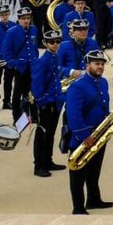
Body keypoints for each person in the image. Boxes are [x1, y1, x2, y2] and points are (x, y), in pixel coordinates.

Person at [64, 50, 113, 214]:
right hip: (83, 137)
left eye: (102, 64)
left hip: (99, 134)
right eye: (96, 64)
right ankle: (77, 207)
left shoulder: (103, 82)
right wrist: (85, 136)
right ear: (87, 66)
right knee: (78, 173)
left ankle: (93, 199)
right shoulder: (77, 86)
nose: (100, 67)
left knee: (94, 169)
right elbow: (73, 114)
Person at [30, 30, 67, 177]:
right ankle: (38, 165)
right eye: (52, 42)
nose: (55, 44)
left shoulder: (55, 57)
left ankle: (48, 160)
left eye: (58, 41)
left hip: (55, 101)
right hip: (46, 103)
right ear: (45, 43)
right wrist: (42, 102)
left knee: (51, 133)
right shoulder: (42, 60)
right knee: (42, 134)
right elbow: (37, 84)